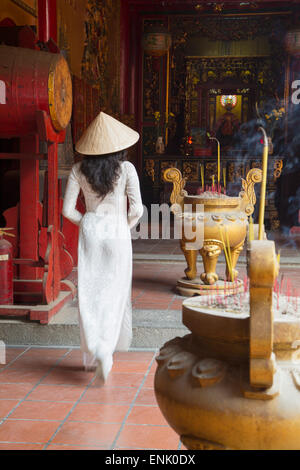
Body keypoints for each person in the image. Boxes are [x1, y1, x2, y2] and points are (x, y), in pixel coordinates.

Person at [62, 112, 143, 384]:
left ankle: (94, 348)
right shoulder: (127, 169)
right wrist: (123, 227)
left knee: (90, 292)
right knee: (115, 291)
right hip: (117, 231)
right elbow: (138, 210)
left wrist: (86, 220)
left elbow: (67, 211)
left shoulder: (77, 170)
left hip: (92, 229)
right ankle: (106, 350)